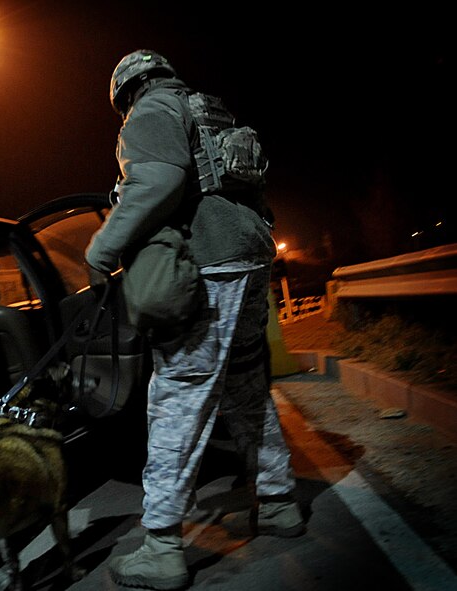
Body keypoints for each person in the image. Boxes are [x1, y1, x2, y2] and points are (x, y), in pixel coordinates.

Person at [85, 49, 305, 590]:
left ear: (125, 91)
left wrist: (102, 248)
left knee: (179, 392)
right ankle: (278, 503)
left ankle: (161, 545)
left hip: (211, 264)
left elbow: (156, 183)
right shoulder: (206, 108)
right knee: (246, 386)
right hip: (250, 256)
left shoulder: (152, 110)